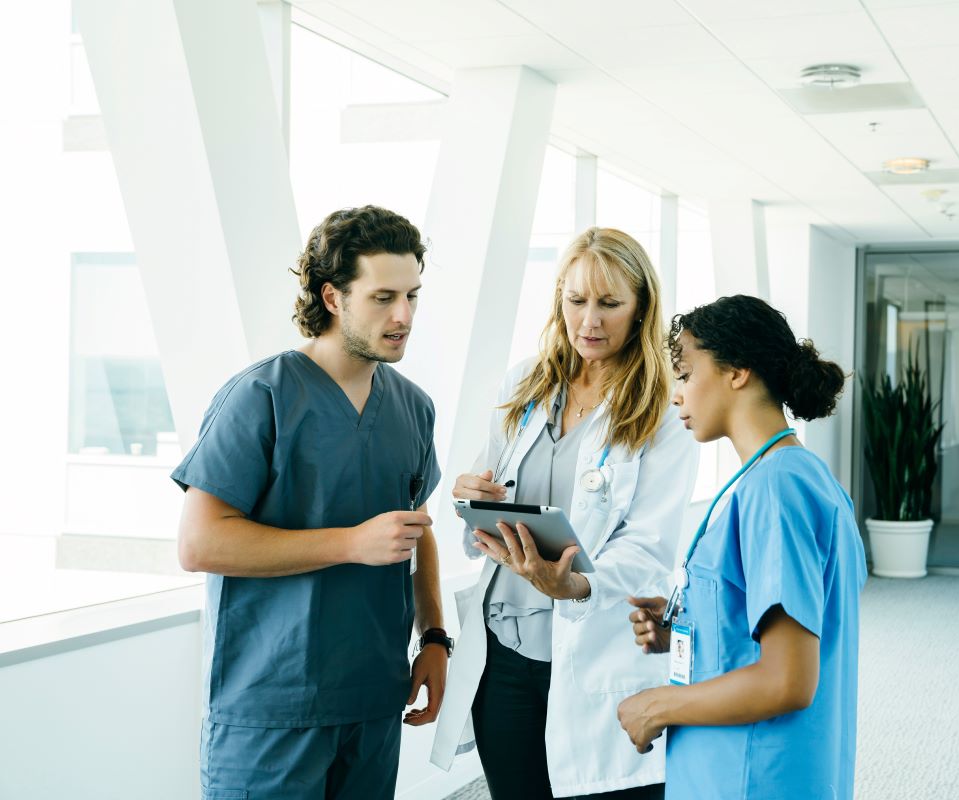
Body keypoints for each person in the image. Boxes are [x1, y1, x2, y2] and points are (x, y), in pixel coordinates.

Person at [172, 206, 449, 799]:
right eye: (382, 298)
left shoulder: (414, 408)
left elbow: (416, 526)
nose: (403, 316)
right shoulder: (260, 397)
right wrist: (352, 543)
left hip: (375, 698)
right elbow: (200, 543)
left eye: (412, 296)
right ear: (332, 296)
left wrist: (433, 636)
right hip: (271, 710)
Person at [431, 228, 699, 799]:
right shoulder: (525, 384)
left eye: (609, 303)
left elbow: (649, 549)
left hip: (595, 655)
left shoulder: (664, 410)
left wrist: (575, 584)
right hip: (506, 653)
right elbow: (490, 483)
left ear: (642, 307)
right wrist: (472, 493)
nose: (590, 321)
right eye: (576, 300)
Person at [619, 294, 868, 800]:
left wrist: (656, 706)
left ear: (738, 372)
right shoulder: (792, 476)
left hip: (753, 779)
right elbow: (769, 635)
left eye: (686, 375)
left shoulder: (776, 489)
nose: (676, 396)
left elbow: (786, 680)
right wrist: (682, 630)